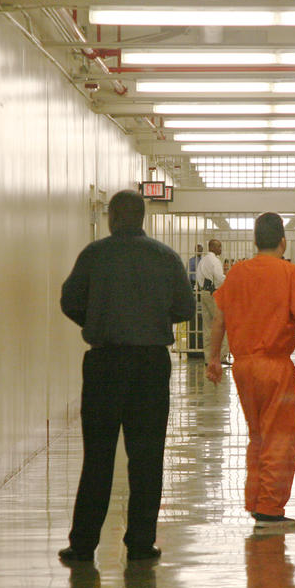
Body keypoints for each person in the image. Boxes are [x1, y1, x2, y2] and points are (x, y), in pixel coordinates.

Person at [58, 190, 196, 563]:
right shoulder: (166, 258)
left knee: (98, 456)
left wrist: (98, 320)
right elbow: (186, 306)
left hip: (105, 363)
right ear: (143, 217)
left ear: (112, 218)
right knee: (147, 456)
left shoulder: (94, 255)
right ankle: (140, 543)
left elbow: (69, 300)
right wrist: (152, 319)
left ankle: (83, 544)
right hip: (151, 365)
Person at [205, 213, 295, 528]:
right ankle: (270, 509)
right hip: (275, 366)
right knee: (281, 437)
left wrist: (212, 359)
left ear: (254, 241)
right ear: (283, 241)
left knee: (258, 435)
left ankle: (256, 500)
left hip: (243, 367)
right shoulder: (289, 272)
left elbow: (219, 319)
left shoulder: (236, 273)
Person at [197, 238, 229, 366]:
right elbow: (219, 278)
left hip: (203, 293)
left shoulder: (203, 261)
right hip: (213, 293)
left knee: (207, 327)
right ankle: (221, 356)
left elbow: (199, 278)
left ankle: (208, 358)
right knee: (222, 324)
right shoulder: (214, 261)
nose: (221, 249)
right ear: (213, 247)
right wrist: (229, 279)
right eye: (219, 247)